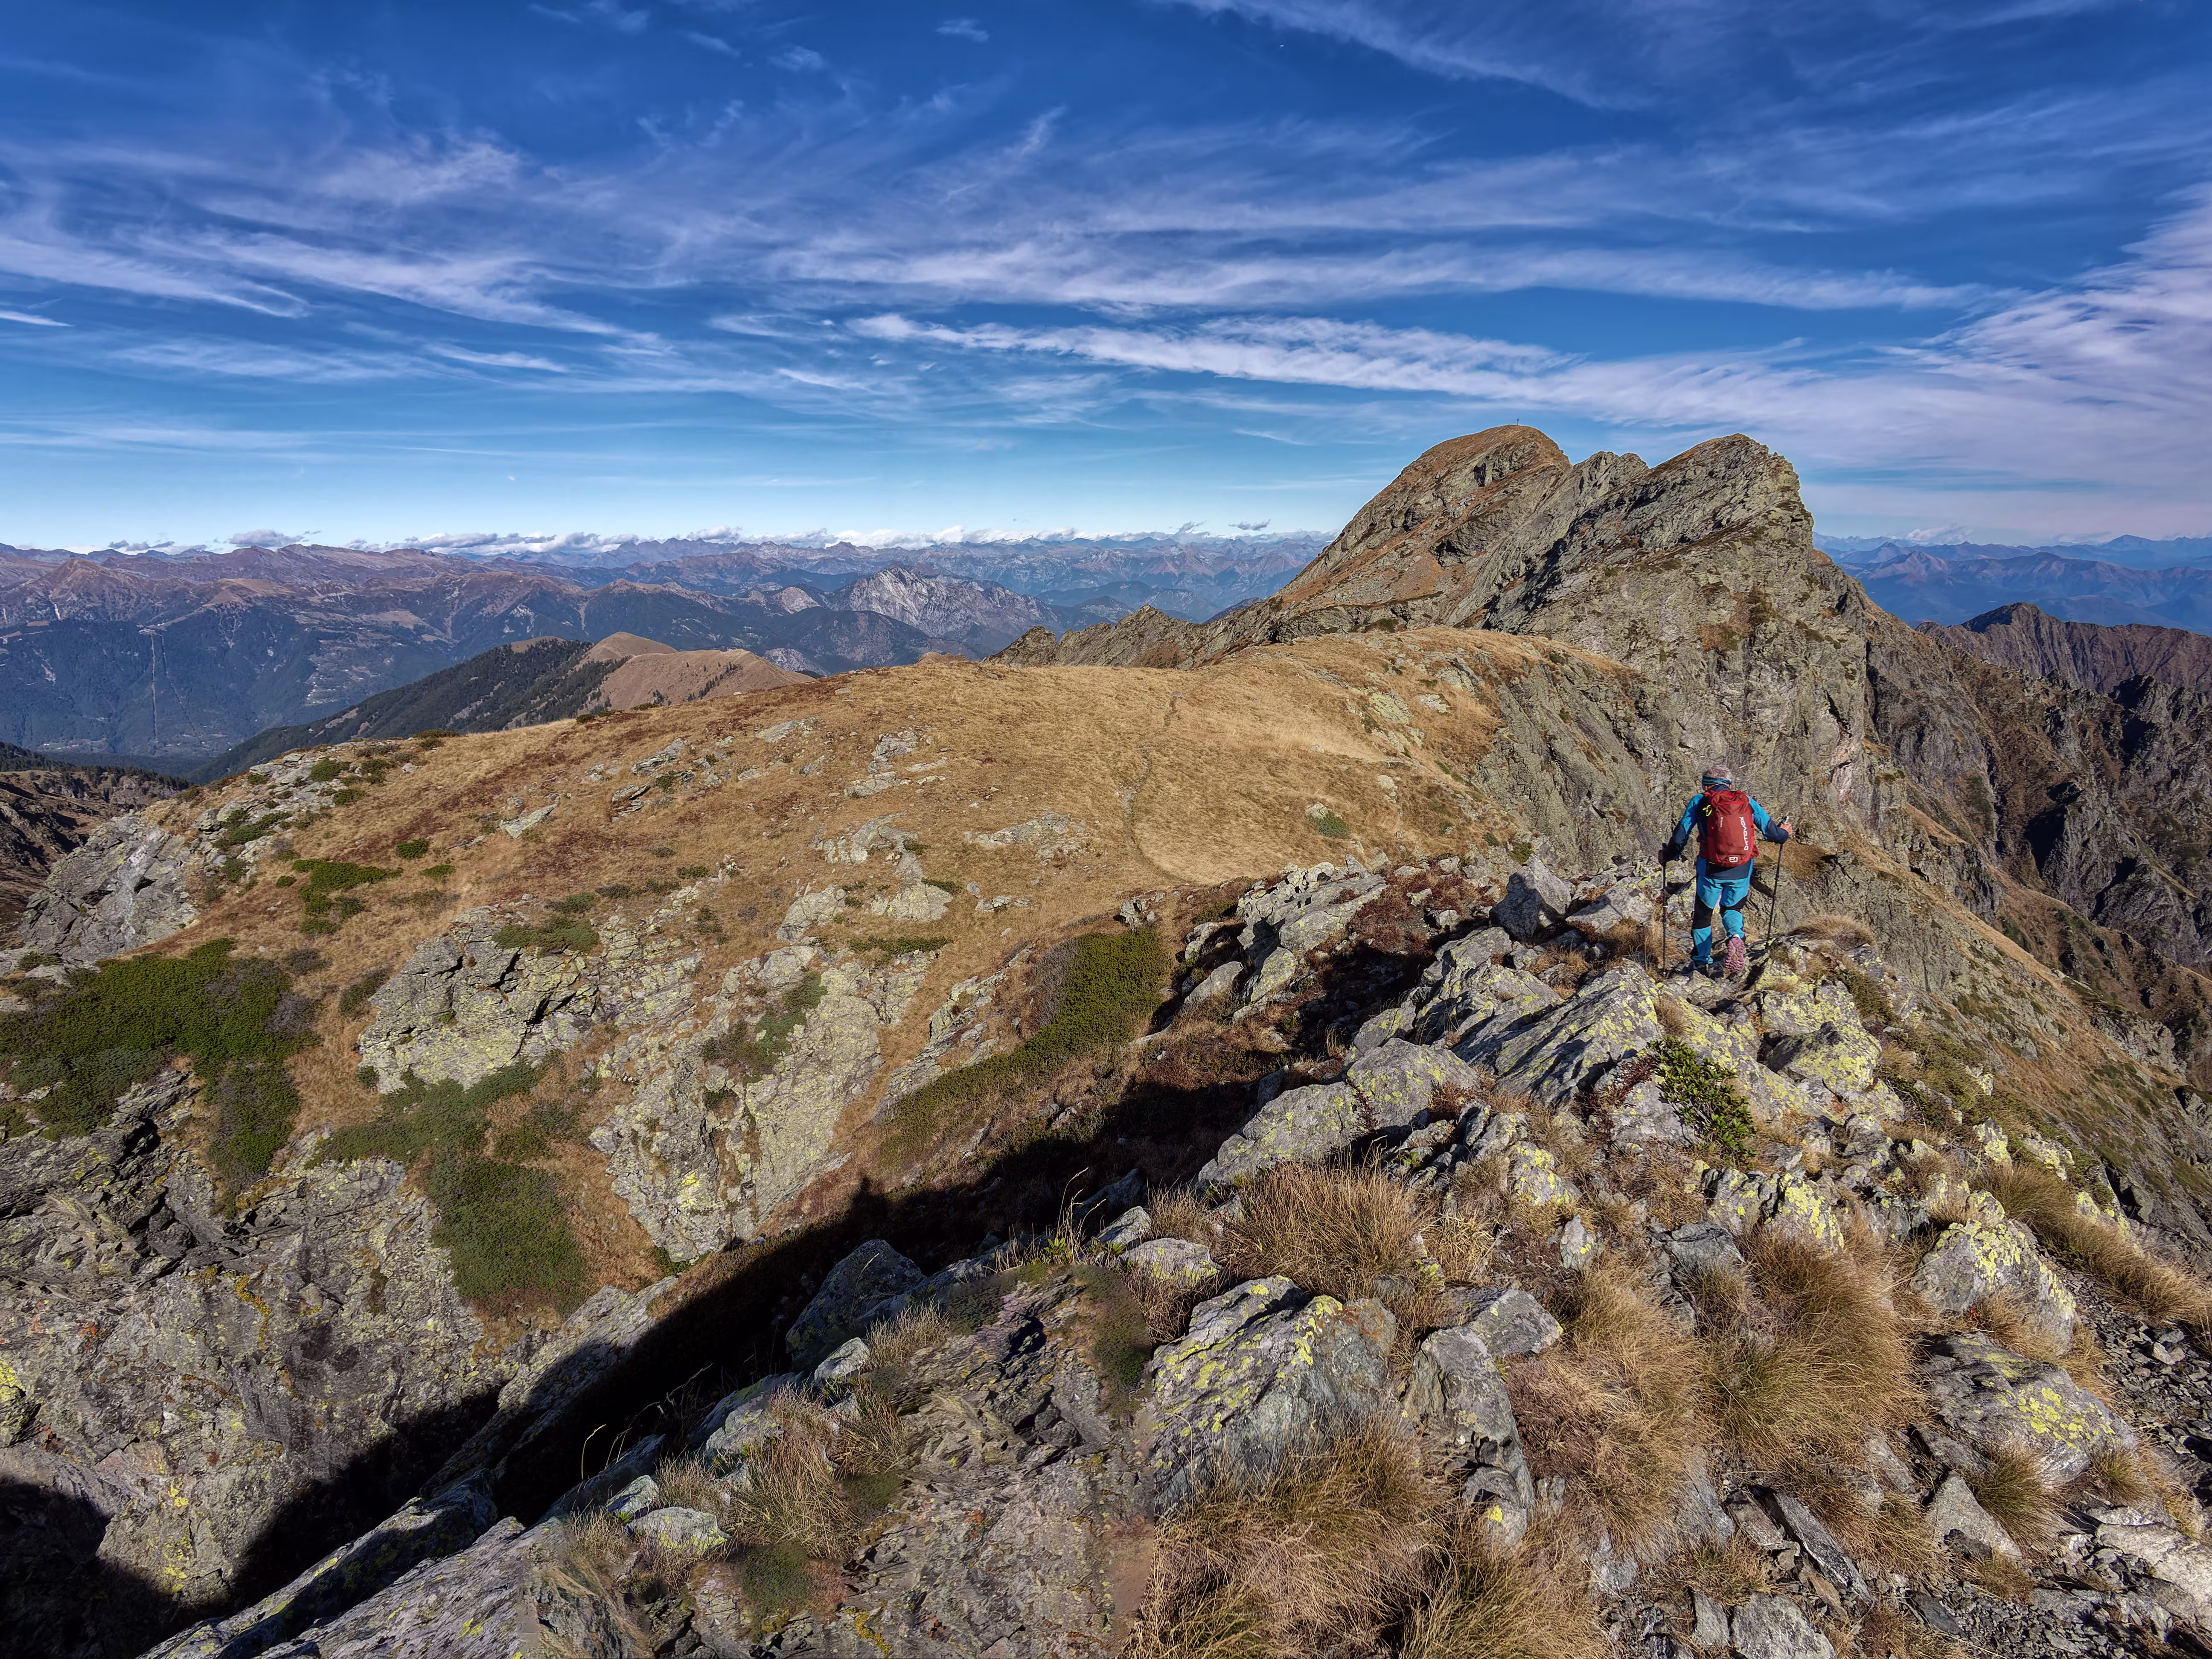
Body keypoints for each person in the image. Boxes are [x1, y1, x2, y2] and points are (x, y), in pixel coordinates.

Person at [1663, 765, 1791, 978]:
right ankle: (1736, 937)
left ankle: (1701, 962)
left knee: (1704, 913)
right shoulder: (1746, 801)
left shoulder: (1700, 801)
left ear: (1706, 785)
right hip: (1741, 867)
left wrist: (1669, 856)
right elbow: (1774, 835)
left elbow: (1680, 837)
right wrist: (1784, 832)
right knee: (1732, 908)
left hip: (1711, 868)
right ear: (1729, 784)